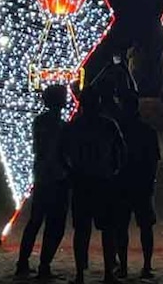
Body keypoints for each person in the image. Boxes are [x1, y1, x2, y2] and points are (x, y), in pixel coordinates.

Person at [59, 78, 125, 283]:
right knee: (107, 230)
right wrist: (115, 170)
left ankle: (80, 274)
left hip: (82, 181)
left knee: (82, 230)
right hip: (103, 180)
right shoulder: (108, 125)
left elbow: (61, 152)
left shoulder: (74, 126)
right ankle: (108, 273)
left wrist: (70, 171)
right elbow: (121, 150)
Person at [16, 84, 71, 279]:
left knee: (36, 221)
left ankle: (23, 262)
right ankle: (44, 265)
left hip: (42, 177)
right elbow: (62, 153)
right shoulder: (62, 126)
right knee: (54, 225)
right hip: (57, 178)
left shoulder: (40, 122)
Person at [111, 89, 160, 279]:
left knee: (121, 227)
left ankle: (124, 266)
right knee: (145, 227)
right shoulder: (147, 131)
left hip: (123, 183)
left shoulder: (118, 129)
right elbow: (153, 160)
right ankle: (146, 266)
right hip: (140, 183)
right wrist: (150, 181)